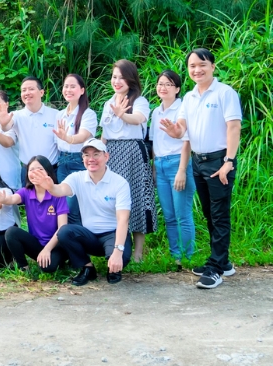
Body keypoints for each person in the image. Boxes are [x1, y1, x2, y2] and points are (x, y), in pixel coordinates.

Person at [160, 48, 242, 289]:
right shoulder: (189, 97)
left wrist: (229, 161)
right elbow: (181, 129)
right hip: (198, 161)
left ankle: (216, 268)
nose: (197, 70)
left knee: (219, 214)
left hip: (219, 161)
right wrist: (174, 130)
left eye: (202, 65)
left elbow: (233, 128)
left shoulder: (225, 93)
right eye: (192, 66)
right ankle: (223, 262)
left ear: (212, 66)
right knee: (208, 212)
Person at [33, 138, 132, 286]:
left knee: (121, 258)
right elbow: (60, 190)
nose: (91, 159)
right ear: (82, 159)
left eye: (96, 154)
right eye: (86, 155)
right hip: (89, 235)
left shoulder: (120, 183)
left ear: (106, 156)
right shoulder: (77, 178)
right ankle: (87, 267)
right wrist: (50, 187)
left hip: (113, 234)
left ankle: (113, 268)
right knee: (65, 231)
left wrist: (118, 252)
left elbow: (123, 220)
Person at [100, 59, 155, 262]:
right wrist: (96, 152)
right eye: (114, 77)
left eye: (122, 77)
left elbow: (139, 119)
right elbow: (105, 134)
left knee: (137, 198)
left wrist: (123, 114)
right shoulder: (108, 103)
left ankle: (139, 253)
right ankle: (117, 247)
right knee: (115, 200)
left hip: (133, 152)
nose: (117, 81)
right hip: (111, 153)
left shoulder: (139, 100)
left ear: (130, 80)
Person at [150, 70, 196, 269]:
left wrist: (182, 170)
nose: (163, 87)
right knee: (168, 215)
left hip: (178, 163)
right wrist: (153, 168)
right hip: (160, 165)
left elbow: (187, 142)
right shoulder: (156, 112)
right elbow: (153, 142)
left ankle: (188, 257)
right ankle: (175, 256)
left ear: (177, 89)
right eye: (160, 84)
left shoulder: (183, 110)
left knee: (182, 214)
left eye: (168, 84)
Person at [1, 156, 69, 273]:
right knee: (11, 232)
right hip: (37, 244)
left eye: (40, 169)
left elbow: (63, 227)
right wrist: (1, 198)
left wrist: (47, 249)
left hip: (56, 244)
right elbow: (11, 199)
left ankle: (62, 260)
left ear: (48, 172)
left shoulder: (58, 194)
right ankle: (24, 267)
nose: (35, 173)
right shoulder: (26, 192)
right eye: (31, 170)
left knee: (48, 268)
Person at [0, 77, 58, 185]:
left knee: (54, 201)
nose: (27, 93)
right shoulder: (17, 115)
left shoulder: (55, 114)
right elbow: (7, 126)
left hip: (51, 170)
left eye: (31, 89)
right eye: (24, 90)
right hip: (28, 172)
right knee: (30, 201)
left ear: (41, 92)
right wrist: (4, 123)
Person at [51, 74, 98, 226]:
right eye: (66, 86)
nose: (68, 90)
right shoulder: (60, 115)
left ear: (82, 90)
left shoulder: (88, 114)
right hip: (62, 163)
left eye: (73, 86)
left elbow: (83, 136)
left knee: (75, 207)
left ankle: (80, 244)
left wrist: (68, 138)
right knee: (64, 207)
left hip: (79, 162)